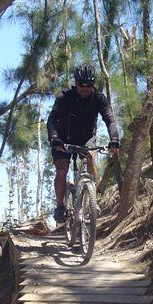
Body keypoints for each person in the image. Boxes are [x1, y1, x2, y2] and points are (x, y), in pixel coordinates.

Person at [47, 63, 120, 223]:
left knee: (91, 158)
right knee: (61, 170)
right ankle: (60, 206)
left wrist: (114, 139)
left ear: (93, 85)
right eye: (81, 84)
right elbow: (51, 119)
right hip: (62, 138)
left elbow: (110, 119)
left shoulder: (99, 99)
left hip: (86, 138)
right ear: (76, 83)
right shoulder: (64, 96)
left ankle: (91, 197)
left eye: (89, 85)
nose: (85, 88)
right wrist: (54, 137)